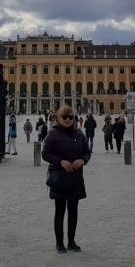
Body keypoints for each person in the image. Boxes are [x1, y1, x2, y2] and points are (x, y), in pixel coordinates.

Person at [42, 106, 91, 254]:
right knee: (60, 211)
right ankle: (59, 243)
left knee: (73, 211)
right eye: (65, 117)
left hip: (75, 177)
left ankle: (71, 241)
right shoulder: (53, 134)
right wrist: (60, 161)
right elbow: (45, 154)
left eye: (70, 117)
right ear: (58, 118)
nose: (68, 120)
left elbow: (87, 152)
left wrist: (82, 160)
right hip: (60, 178)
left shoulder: (79, 134)